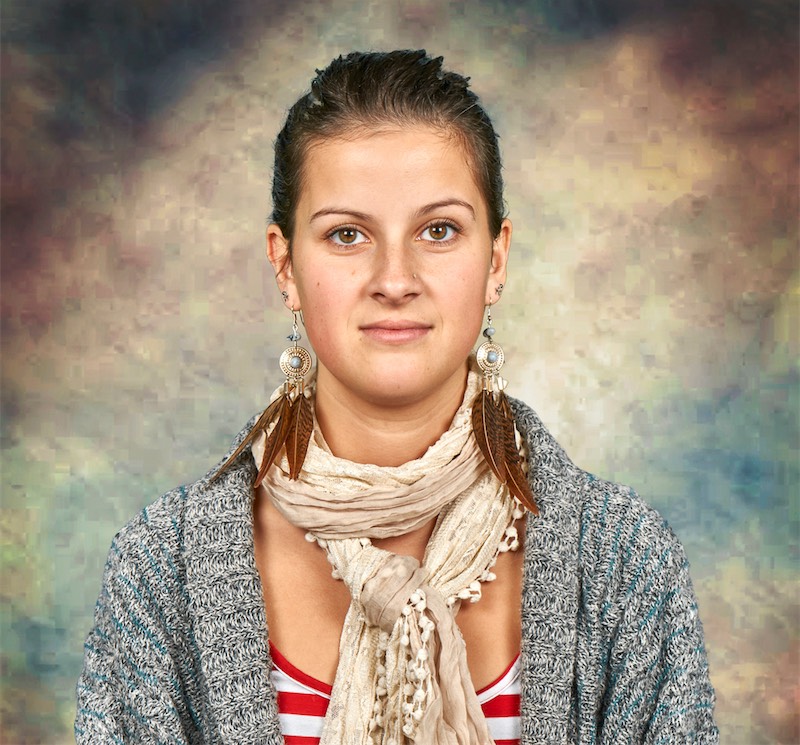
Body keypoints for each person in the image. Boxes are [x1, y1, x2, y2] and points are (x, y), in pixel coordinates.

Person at [75, 50, 719, 745]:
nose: (394, 279)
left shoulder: (625, 562)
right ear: (286, 265)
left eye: (438, 230)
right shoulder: (162, 570)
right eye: (347, 235)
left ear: (496, 258)